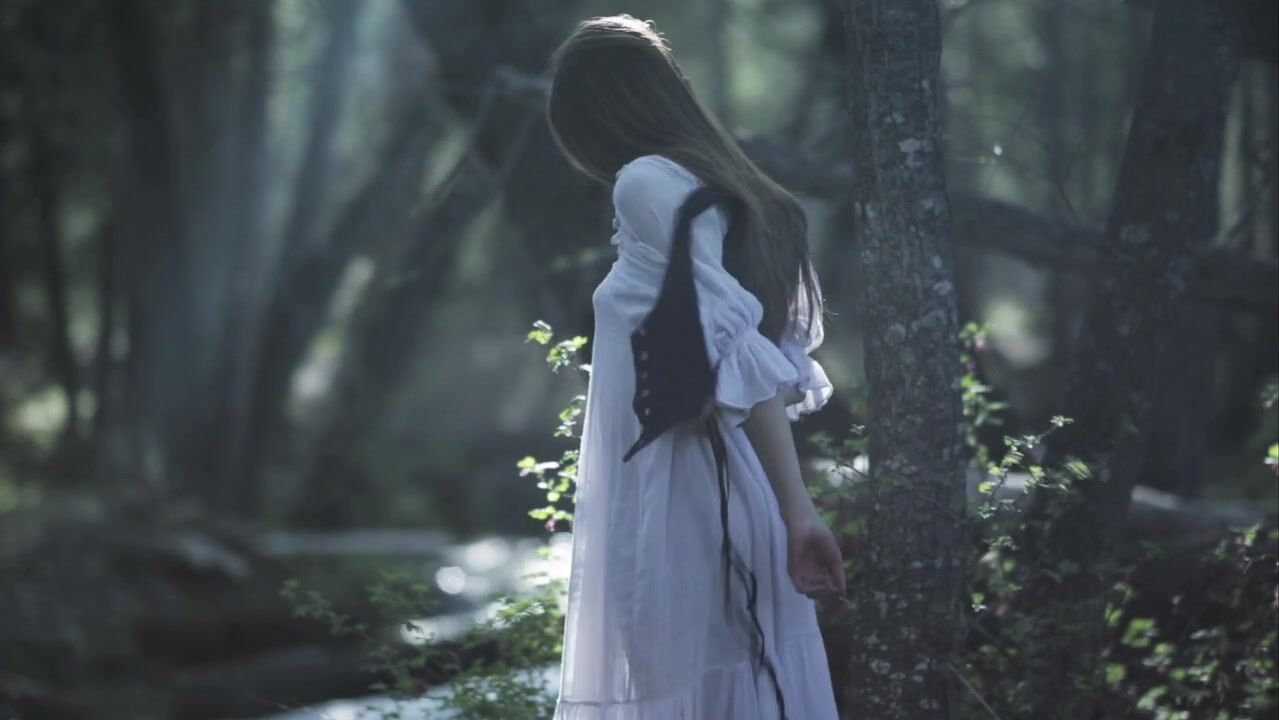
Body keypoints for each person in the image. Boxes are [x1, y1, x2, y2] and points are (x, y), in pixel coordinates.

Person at [545, 13, 846, 719]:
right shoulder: (726, 190)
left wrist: (798, 514)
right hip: (728, 492)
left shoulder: (645, 182)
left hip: (681, 495)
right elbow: (754, 361)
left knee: (683, 695)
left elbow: (734, 351)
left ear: (600, 114)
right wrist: (793, 513)